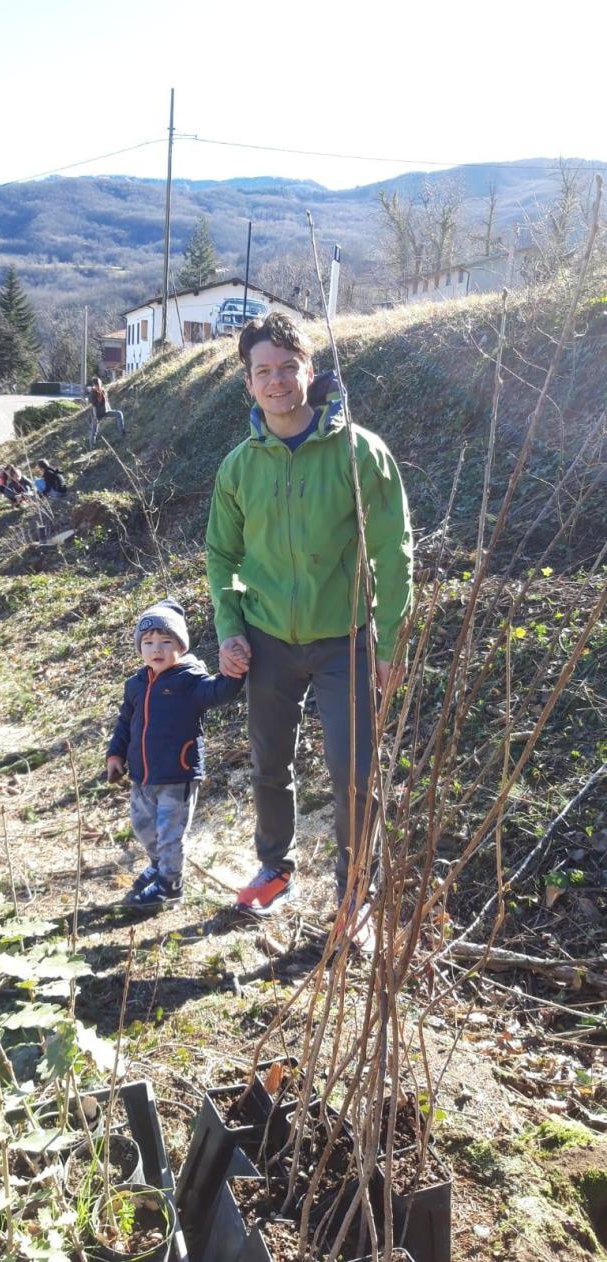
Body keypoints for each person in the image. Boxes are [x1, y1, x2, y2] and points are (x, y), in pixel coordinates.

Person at [206, 313, 413, 925]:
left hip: (344, 640)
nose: (277, 381)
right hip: (267, 640)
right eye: (263, 371)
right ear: (248, 382)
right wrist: (230, 627)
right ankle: (275, 871)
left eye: (288, 367)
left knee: (355, 773)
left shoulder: (360, 453)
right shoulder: (238, 466)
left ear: (310, 371)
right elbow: (223, 556)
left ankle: (356, 894)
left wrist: (390, 642)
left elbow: (394, 553)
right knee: (269, 764)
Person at [106, 599, 244, 910]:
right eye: (149, 642)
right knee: (143, 827)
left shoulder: (190, 681)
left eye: (166, 642)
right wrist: (115, 754)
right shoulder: (136, 684)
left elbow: (220, 691)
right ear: (140, 648)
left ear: (181, 646)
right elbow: (125, 722)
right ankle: (158, 866)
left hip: (177, 775)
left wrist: (234, 672)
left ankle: (170, 885)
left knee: (170, 835)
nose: (157, 649)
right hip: (142, 776)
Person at [89, 377, 125, 448]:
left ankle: (122, 432)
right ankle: (92, 446)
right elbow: (94, 406)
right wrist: (95, 417)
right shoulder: (92, 394)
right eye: (96, 385)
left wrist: (109, 409)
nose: (98, 386)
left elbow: (106, 401)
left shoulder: (103, 391)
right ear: (93, 385)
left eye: (99, 384)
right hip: (96, 414)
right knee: (94, 431)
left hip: (105, 411)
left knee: (119, 414)